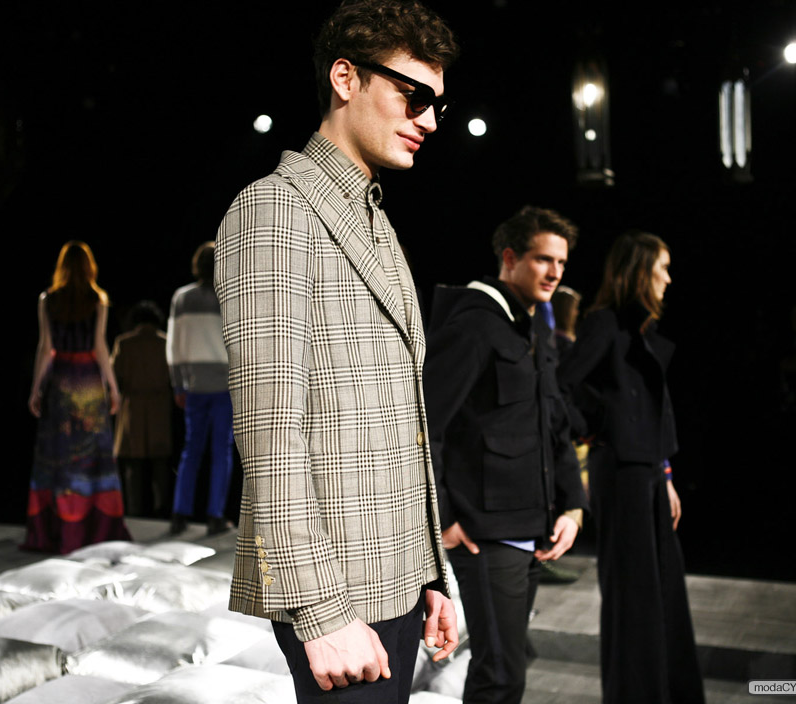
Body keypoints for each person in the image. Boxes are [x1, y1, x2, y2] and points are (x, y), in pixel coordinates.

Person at [213, 1, 460, 700]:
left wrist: (428, 574)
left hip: (394, 575)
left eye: (437, 104)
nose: (429, 120)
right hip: (336, 592)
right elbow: (270, 433)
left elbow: (399, 422)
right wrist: (320, 612)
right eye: (413, 96)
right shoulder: (273, 210)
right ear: (345, 78)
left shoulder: (372, 217)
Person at [424, 206, 588, 704]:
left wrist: (573, 505)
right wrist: (443, 519)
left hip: (531, 527)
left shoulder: (531, 327)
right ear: (510, 258)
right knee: (500, 674)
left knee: (507, 670)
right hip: (485, 536)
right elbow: (424, 427)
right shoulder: (475, 326)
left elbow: (553, 422)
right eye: (543, 259)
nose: (555, 272)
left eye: (561, 262)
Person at [557, 231, 705, 704]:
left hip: (649, 474)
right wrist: (595, 430)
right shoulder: (604, 322)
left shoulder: (639, 330)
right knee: (633, 595)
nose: (668, 279)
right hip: (620, 475)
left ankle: (666, 692)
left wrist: (666, 473)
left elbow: (656, 409)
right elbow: (561, 387)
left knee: (663, 590)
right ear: (641, 271)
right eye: (662, 268)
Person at [24, 241, 131, 553]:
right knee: (89, 457)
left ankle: (59, 530)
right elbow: (99, 347)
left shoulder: (48, 299)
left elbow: (46, 348)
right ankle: (92, 529)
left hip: (60, 381)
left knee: (60, 455)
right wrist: (113, 387)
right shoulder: (97, 299)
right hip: (87, 383)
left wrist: (36, 387)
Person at [166, 242, 233, 536]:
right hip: (225, 385)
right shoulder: (230, 295)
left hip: (194, 385)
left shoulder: (182, 297)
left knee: (191, 450)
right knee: (220, 451)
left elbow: (174, 344)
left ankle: (180, 514)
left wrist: (177, 383)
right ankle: (214, 516)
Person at [111, 300, 174, 518]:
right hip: (159, 407)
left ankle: (134, 513)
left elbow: (114, 376)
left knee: (133, 465)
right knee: (161, 464)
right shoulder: (166, 342)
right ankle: (162, 510)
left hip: (133, 408)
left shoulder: (124, 343)